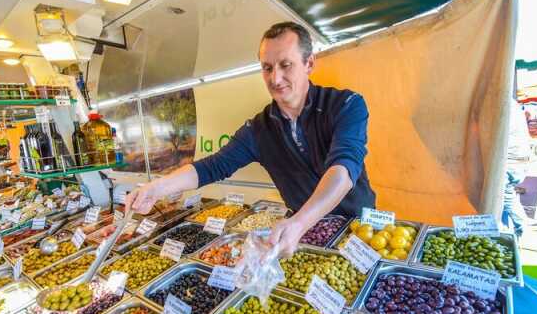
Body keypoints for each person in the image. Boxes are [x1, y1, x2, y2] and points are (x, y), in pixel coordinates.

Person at [126, 22, 376, 256]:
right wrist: (155, 188)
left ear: (309, 64)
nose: (275, 78)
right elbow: (212, 166)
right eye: (267, 68)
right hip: (304, 236)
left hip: (358, 229)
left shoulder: (346, 104)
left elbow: (343, 168)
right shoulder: (259, 128)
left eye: (285, 65)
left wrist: (300, 222)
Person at [502, 102, 531, 236]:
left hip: (510, 162)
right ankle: (505, 231)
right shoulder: (512, 104)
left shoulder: (503, 104)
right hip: (518, 161)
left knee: (506, 200)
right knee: (505, 200)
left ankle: (521, 231)